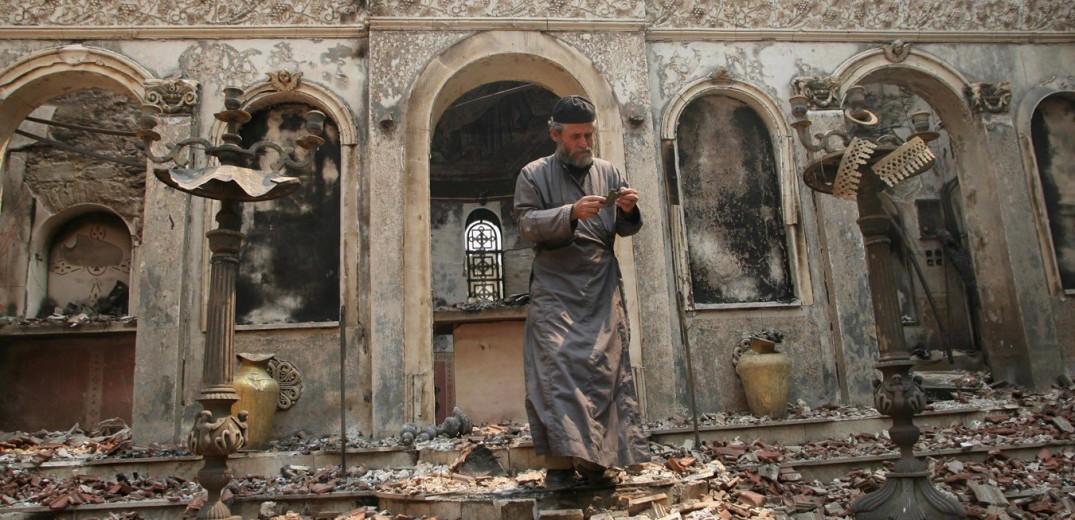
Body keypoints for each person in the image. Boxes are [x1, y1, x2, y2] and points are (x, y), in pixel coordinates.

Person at [513, 95, 648, 489]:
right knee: (554, 369)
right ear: (556, 135)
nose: (585, 143)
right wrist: (570, 213)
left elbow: (626, 229)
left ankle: (596, 463)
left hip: (601, 282)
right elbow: (525, 225)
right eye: (576, 136)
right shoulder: (533, 174)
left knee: (602, 370)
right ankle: (559, 466)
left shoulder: (608, 171)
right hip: (555, 285)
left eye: (589, 135)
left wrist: (627, 210)